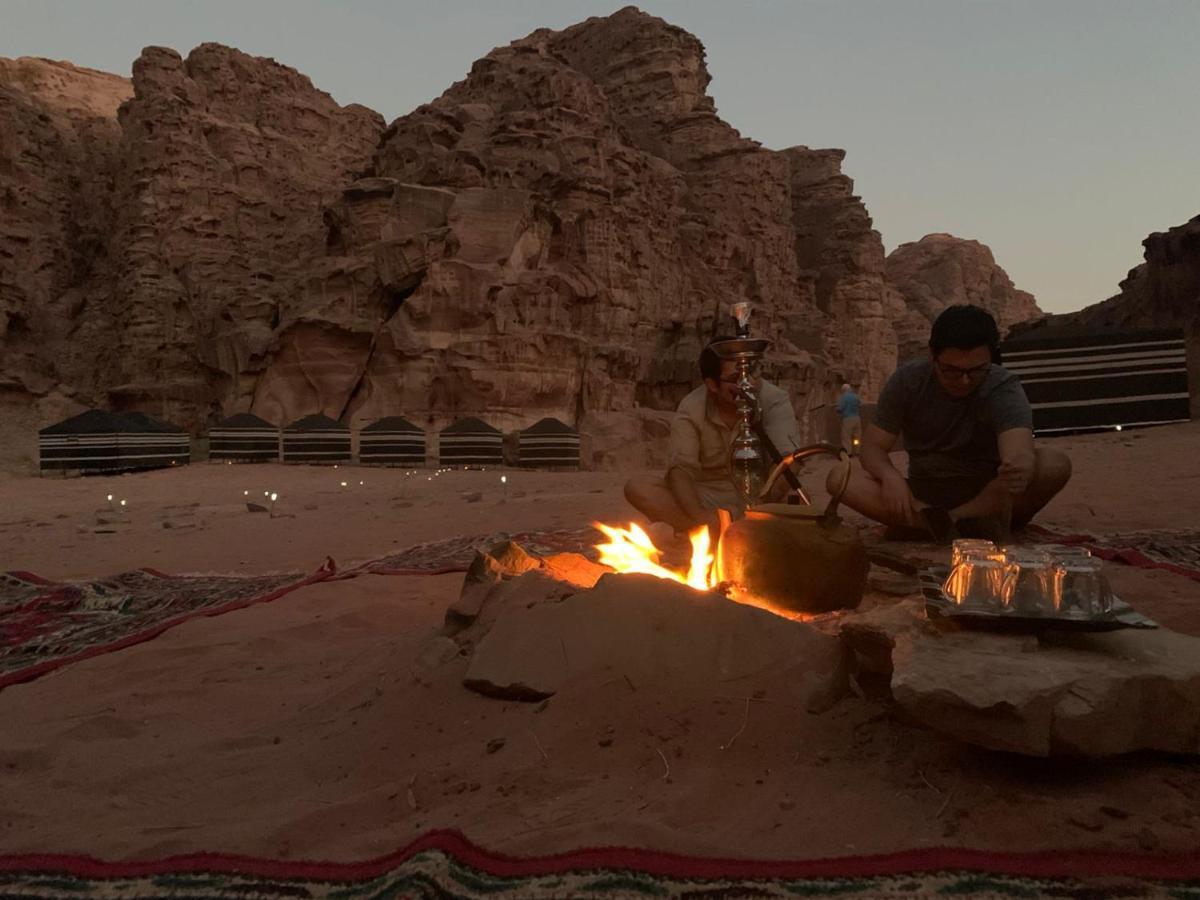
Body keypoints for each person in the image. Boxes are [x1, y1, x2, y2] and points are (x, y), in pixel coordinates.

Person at [830, 304, 1071, 542]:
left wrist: (1019, 467)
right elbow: (872, 448)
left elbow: (1018, 448)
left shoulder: (1002, 386)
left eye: (976, 370)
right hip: (924, 496)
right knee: (840, 478)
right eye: (951, 371)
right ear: (932, 356)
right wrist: (889, 476)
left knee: (1053, 463)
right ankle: (948, 525)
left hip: (988, 494)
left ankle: (935, 526)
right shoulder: (908, 381)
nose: (964, 381)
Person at [625, 337, 800, 535]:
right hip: (709, 495)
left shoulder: (773, 399)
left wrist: (760, 505)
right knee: (639, 488)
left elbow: (789, 461)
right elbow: (681, 471)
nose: (748, 384)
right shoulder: (692, 407)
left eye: (751, 373)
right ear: (712, 385)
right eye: (736, 379)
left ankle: (729, 531)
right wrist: (699, 515)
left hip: (762, 493)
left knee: (796, 499)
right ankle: (712, 530)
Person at [836, 383, 862, 455]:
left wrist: (837, 409)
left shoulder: (844, 397)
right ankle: (857, 451)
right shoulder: (855, 396)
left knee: (846, 437)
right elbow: (860, 404)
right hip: (857, 418)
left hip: (848, 419)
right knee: (857, 437)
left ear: (843, 390)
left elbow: (840, 408)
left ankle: (848, 452)